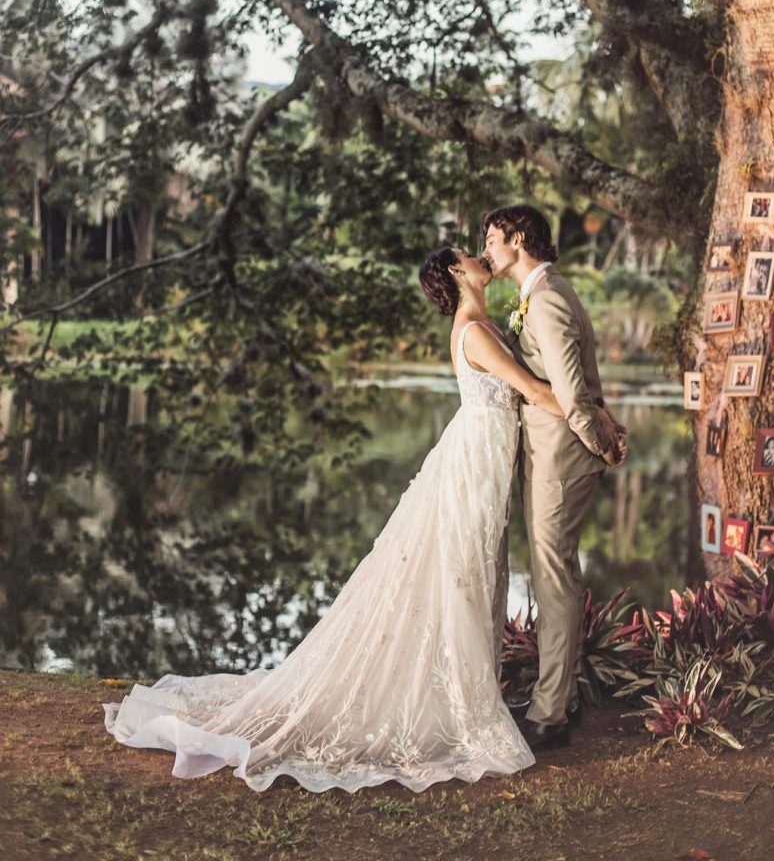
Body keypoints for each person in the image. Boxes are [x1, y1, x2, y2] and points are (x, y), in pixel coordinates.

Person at [102, 244, 615, 793]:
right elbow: (537, 391)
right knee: (464, 575)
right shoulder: (475, 331)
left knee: (476, 578)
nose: (477, 257)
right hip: (471, 467)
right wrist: (602, 426)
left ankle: (472, 691)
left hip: (483, 464)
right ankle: (458, 702)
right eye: (468, 256)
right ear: (454, 274)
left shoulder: (485, 323)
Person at [482, 204, 625, 752]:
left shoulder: (544, 299)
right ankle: (555, 696)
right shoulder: (546, 292)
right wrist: (607, 423)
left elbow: (569, 393)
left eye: (492, 239)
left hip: (562, 457)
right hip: (553, 453)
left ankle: (550, 715)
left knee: (553, 578)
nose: (488, 249)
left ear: (518, 238)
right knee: (553, 574)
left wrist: (602, 443)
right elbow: (585, 378)